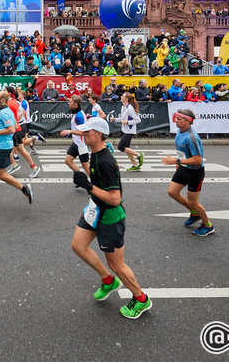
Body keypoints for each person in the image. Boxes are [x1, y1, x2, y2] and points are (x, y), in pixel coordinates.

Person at [71, 117, 152, 319]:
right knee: (78, 246)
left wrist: (88, 186)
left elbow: (115, 199)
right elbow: (98, 177)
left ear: (98, 134)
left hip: (109, 216)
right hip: (95, 210)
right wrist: (86, 177)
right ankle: (108, 281)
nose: (83, 135)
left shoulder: (105, 160)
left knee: (117, 265)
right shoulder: (97, 151)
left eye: (87, 132)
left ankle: (141, 299)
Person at [162, 109, 215, 236]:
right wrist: (178, 163)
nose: (176, 121)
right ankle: (194, 213)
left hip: (195, 172)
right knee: (172, 192)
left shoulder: (192, 137)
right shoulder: (180, 131)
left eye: (179, 119)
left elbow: (198, 159)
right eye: (176, 118)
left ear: (188, 121)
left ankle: (208, 225)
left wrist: (178, 160)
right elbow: (182, 151)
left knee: (193, 201)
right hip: (183, 168)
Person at [60, 95, 91, 180]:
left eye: (70, 102)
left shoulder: (78, 116)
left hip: (82, 144)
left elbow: (84, 132)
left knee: (85, 166)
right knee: (68, 161)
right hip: (76, 143)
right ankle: (82, 179)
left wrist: (69, 131)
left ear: (75, 104)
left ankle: (97, 185)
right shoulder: (77, 113)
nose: (68, 103)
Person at [113, 92, 143, 171]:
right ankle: (135, 165)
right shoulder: (123, 107)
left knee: (121, 147)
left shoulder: (130, 108)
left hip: (130, 131)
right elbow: (123, 118)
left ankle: (139, 155)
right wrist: (115, 119)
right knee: (127, 149)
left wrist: (127, 122)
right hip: (124, 130)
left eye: (123, 96)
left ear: (126, 99)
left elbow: (138, 120)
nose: (121, 97)